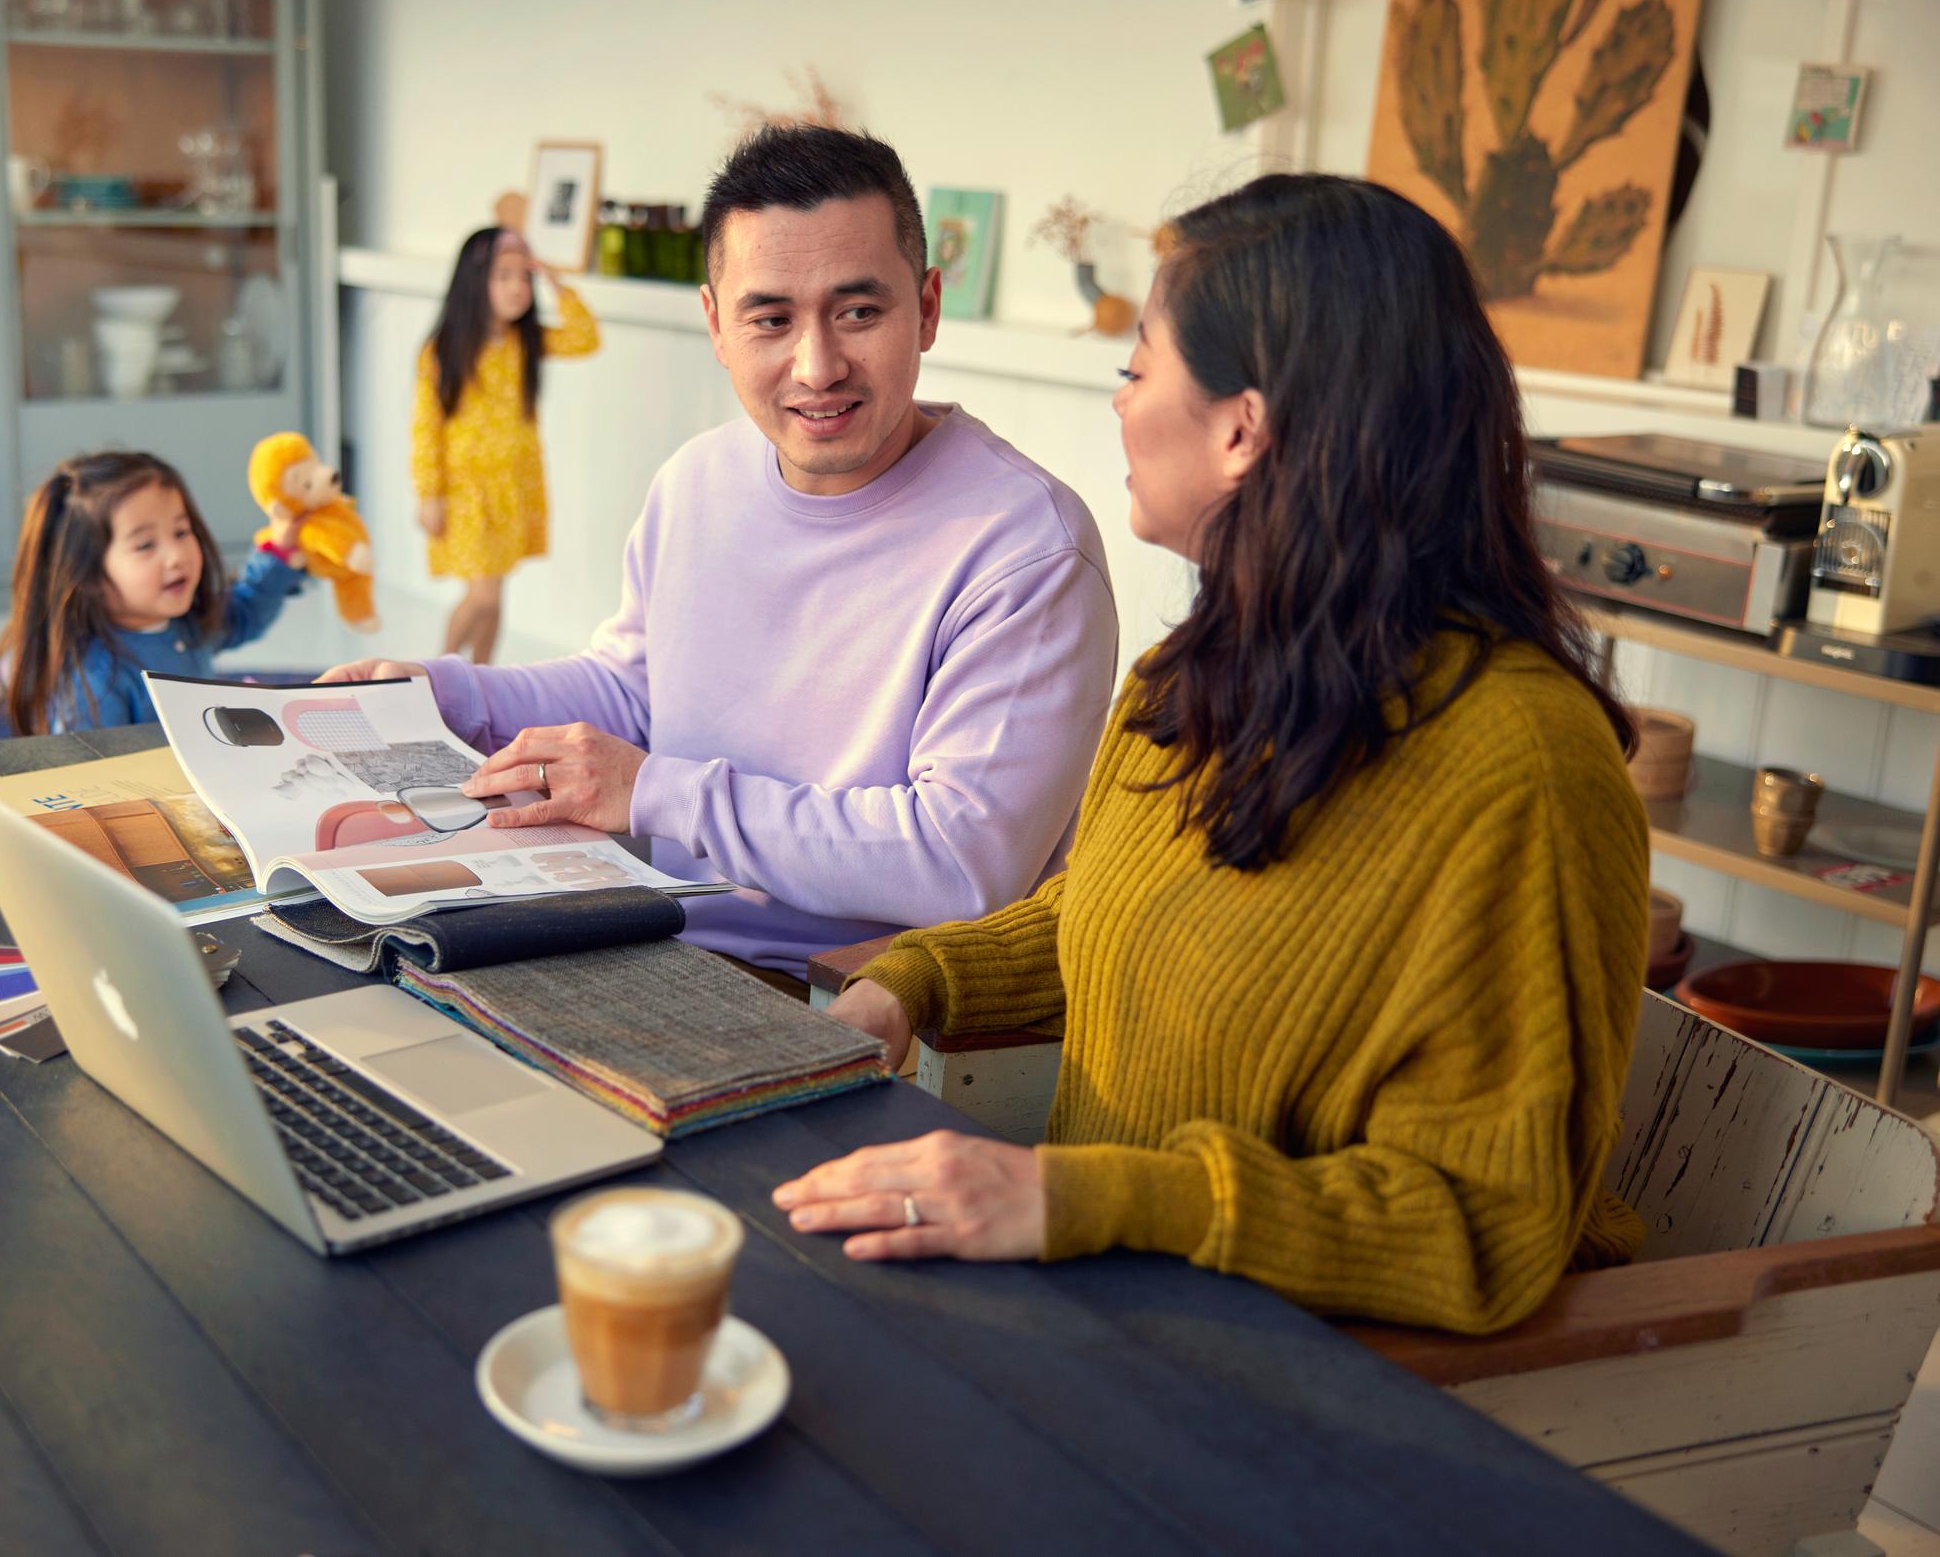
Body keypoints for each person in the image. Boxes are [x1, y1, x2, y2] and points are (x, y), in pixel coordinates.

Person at [772, 173, 1649, 1336]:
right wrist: (916, 981)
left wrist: (1079, 1193)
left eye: (1138, 364)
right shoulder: (1199, 672)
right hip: (1112, 1319)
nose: (1122, 402)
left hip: (1323, 1401)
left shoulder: (1525, 771)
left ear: (1243, 427)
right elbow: (1118, 913)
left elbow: (1484, 1221)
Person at [325, 126, 1119, 991]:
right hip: (641, 936)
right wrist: (437, 695)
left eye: (859, 311)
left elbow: (960, 860)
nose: (816, 367)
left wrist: (660, 793)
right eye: (770, 319)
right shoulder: (696, 481)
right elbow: (634, 692)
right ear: (715, 324)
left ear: (926, 308)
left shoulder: (1027, 549)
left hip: (845, 996)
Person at [0, 451, 307, 734]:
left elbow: (246, 612)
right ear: (88, 576)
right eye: (145, 545)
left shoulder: (189, 622)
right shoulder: (95, 680)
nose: (177, 555)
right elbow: (90, 775)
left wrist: (278, 551)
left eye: (181, 532)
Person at [414, 226, 600, 664]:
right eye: (504, 276)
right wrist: (429, 492)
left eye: (524, 277)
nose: (518, 288)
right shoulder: (444, 350)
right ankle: (437, 671)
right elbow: (425, 428)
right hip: (467, 492)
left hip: (513, 487)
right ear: (475, 282)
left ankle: (481, 676)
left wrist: (556, 281)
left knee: (496, 595)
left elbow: (585, 337)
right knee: (482, 594)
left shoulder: (525, 343)